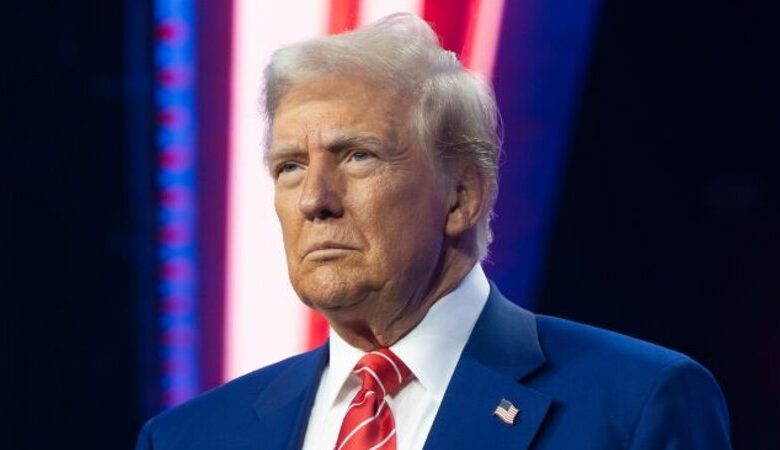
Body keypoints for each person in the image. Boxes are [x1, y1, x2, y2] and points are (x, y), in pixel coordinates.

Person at [136, 13, 731, 450]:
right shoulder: (189, 438)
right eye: (289, 166)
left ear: (462, 197)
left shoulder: (635, 404)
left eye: (357, 156)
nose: (314, 199)